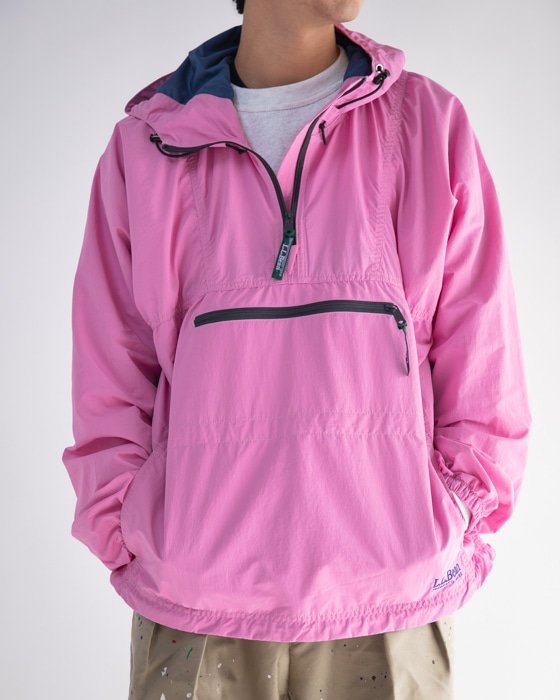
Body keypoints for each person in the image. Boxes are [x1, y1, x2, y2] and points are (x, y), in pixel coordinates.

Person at [63, 0, 531, 697]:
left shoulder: (429, 126)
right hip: (195, 604)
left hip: (390, 601)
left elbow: (484, 358)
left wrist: (455, 509)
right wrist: (131, 523)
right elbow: (110, 371)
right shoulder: (147, 146)